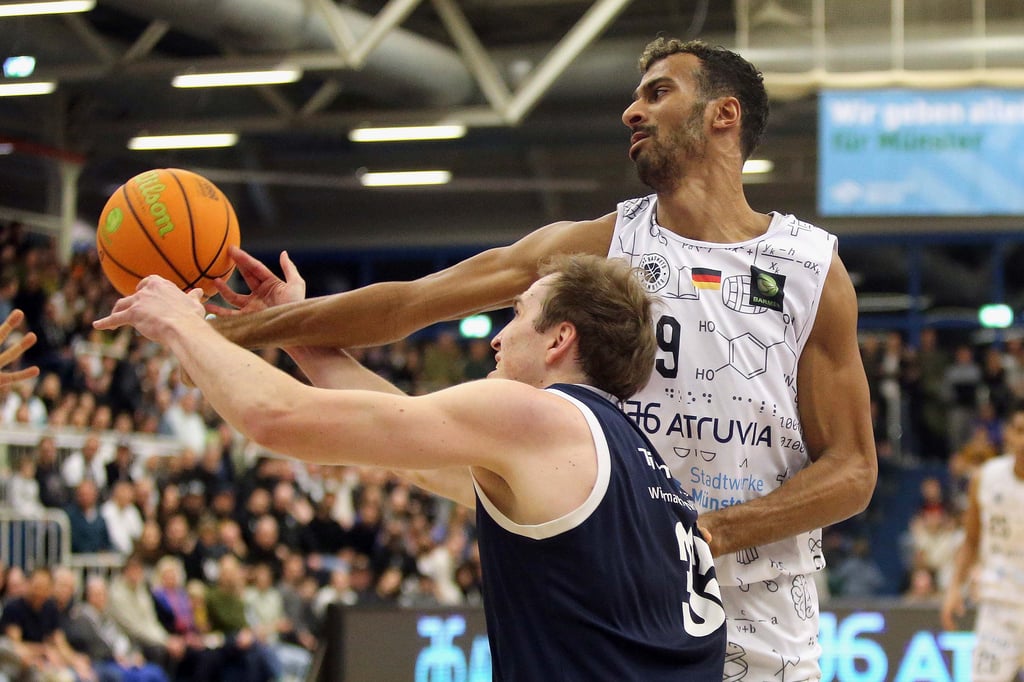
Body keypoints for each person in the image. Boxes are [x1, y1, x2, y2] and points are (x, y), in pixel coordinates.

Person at [200, 36, 877, 678]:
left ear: (723, 113)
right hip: (615, 589)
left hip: (762, 619)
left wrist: (704, 533)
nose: (631, 110)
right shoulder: (600, 245)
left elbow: (851, 469)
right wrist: (254, 328)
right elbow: (411, 304)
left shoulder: (810, 267)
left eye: (657, 92)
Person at [94, 253, 728, 680]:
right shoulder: (635, 463)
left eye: (517, 315)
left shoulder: (537, 416)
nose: (497, 338)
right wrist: (293, 330)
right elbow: (416, 454)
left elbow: (275, 418)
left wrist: (185, 325)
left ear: (560, 340)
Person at [941, 402, 1024, 682]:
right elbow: (971, 540)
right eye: (1019, 430)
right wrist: (954, 588)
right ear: (1007, 434)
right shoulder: (985, 478)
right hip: (998, 607)